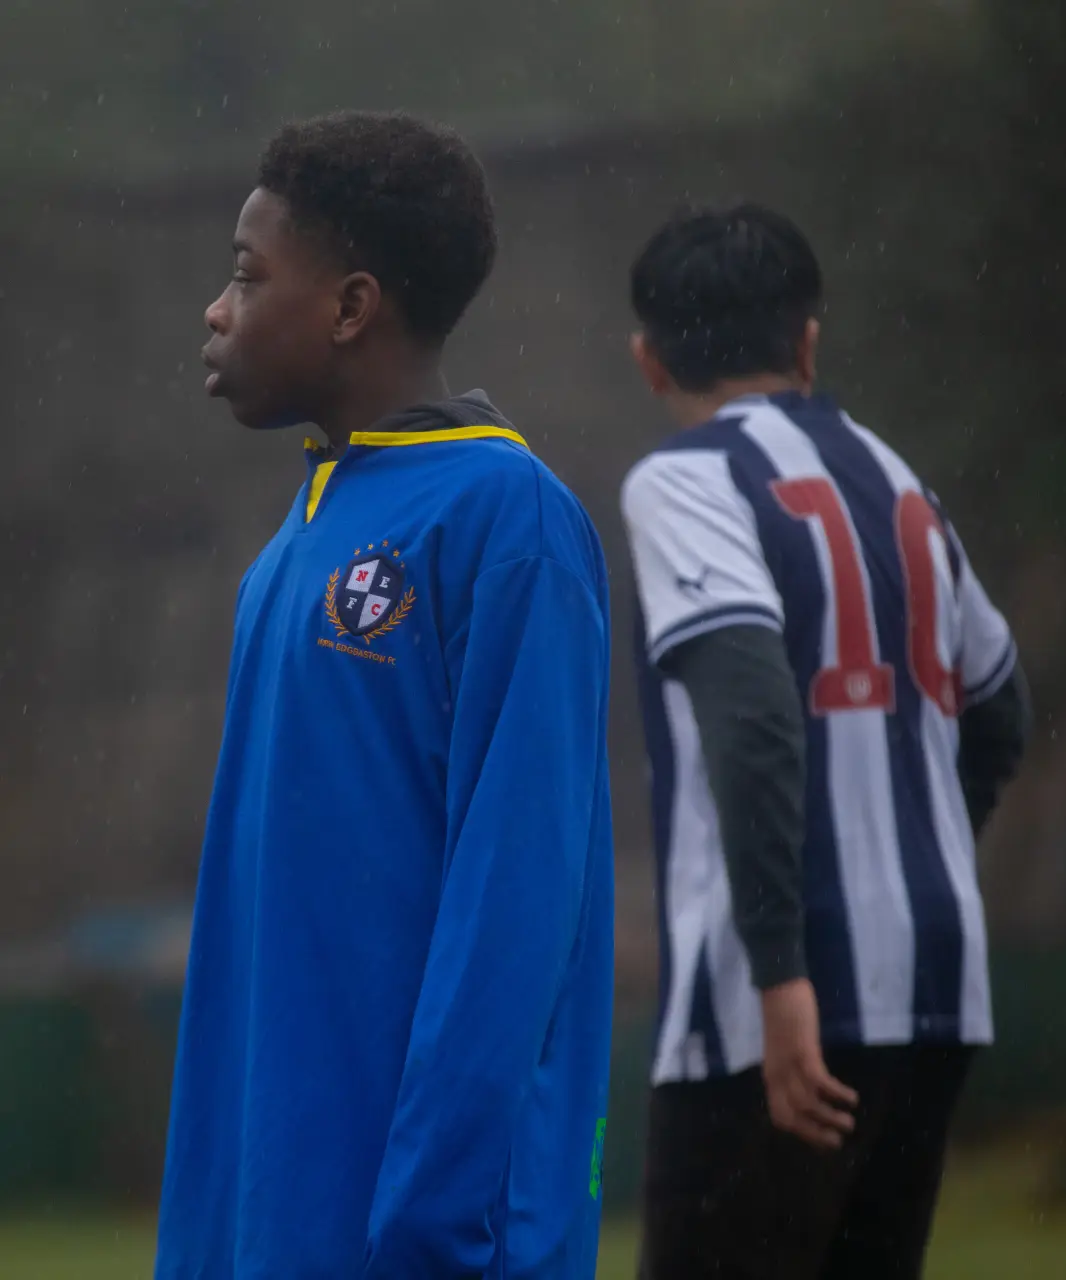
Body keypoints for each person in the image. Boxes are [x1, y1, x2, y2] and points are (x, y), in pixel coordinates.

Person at [155, 111, 614, 1280]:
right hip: (265, 1214)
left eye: (249, 277)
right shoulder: (289, 547)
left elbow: (515, 902)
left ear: (352, 307)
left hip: (413, 1236)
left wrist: (432, 1213)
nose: (217, 308)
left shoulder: (506, 523)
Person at [621, 204, 1031, 1279]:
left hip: (773, 1002)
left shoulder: (681, 478)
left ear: (649, 359)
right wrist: (913, 849)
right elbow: (998, 708)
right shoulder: (897, 476)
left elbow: (751, 714)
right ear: (808, 341)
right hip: (933, 979)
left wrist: (779, 963)